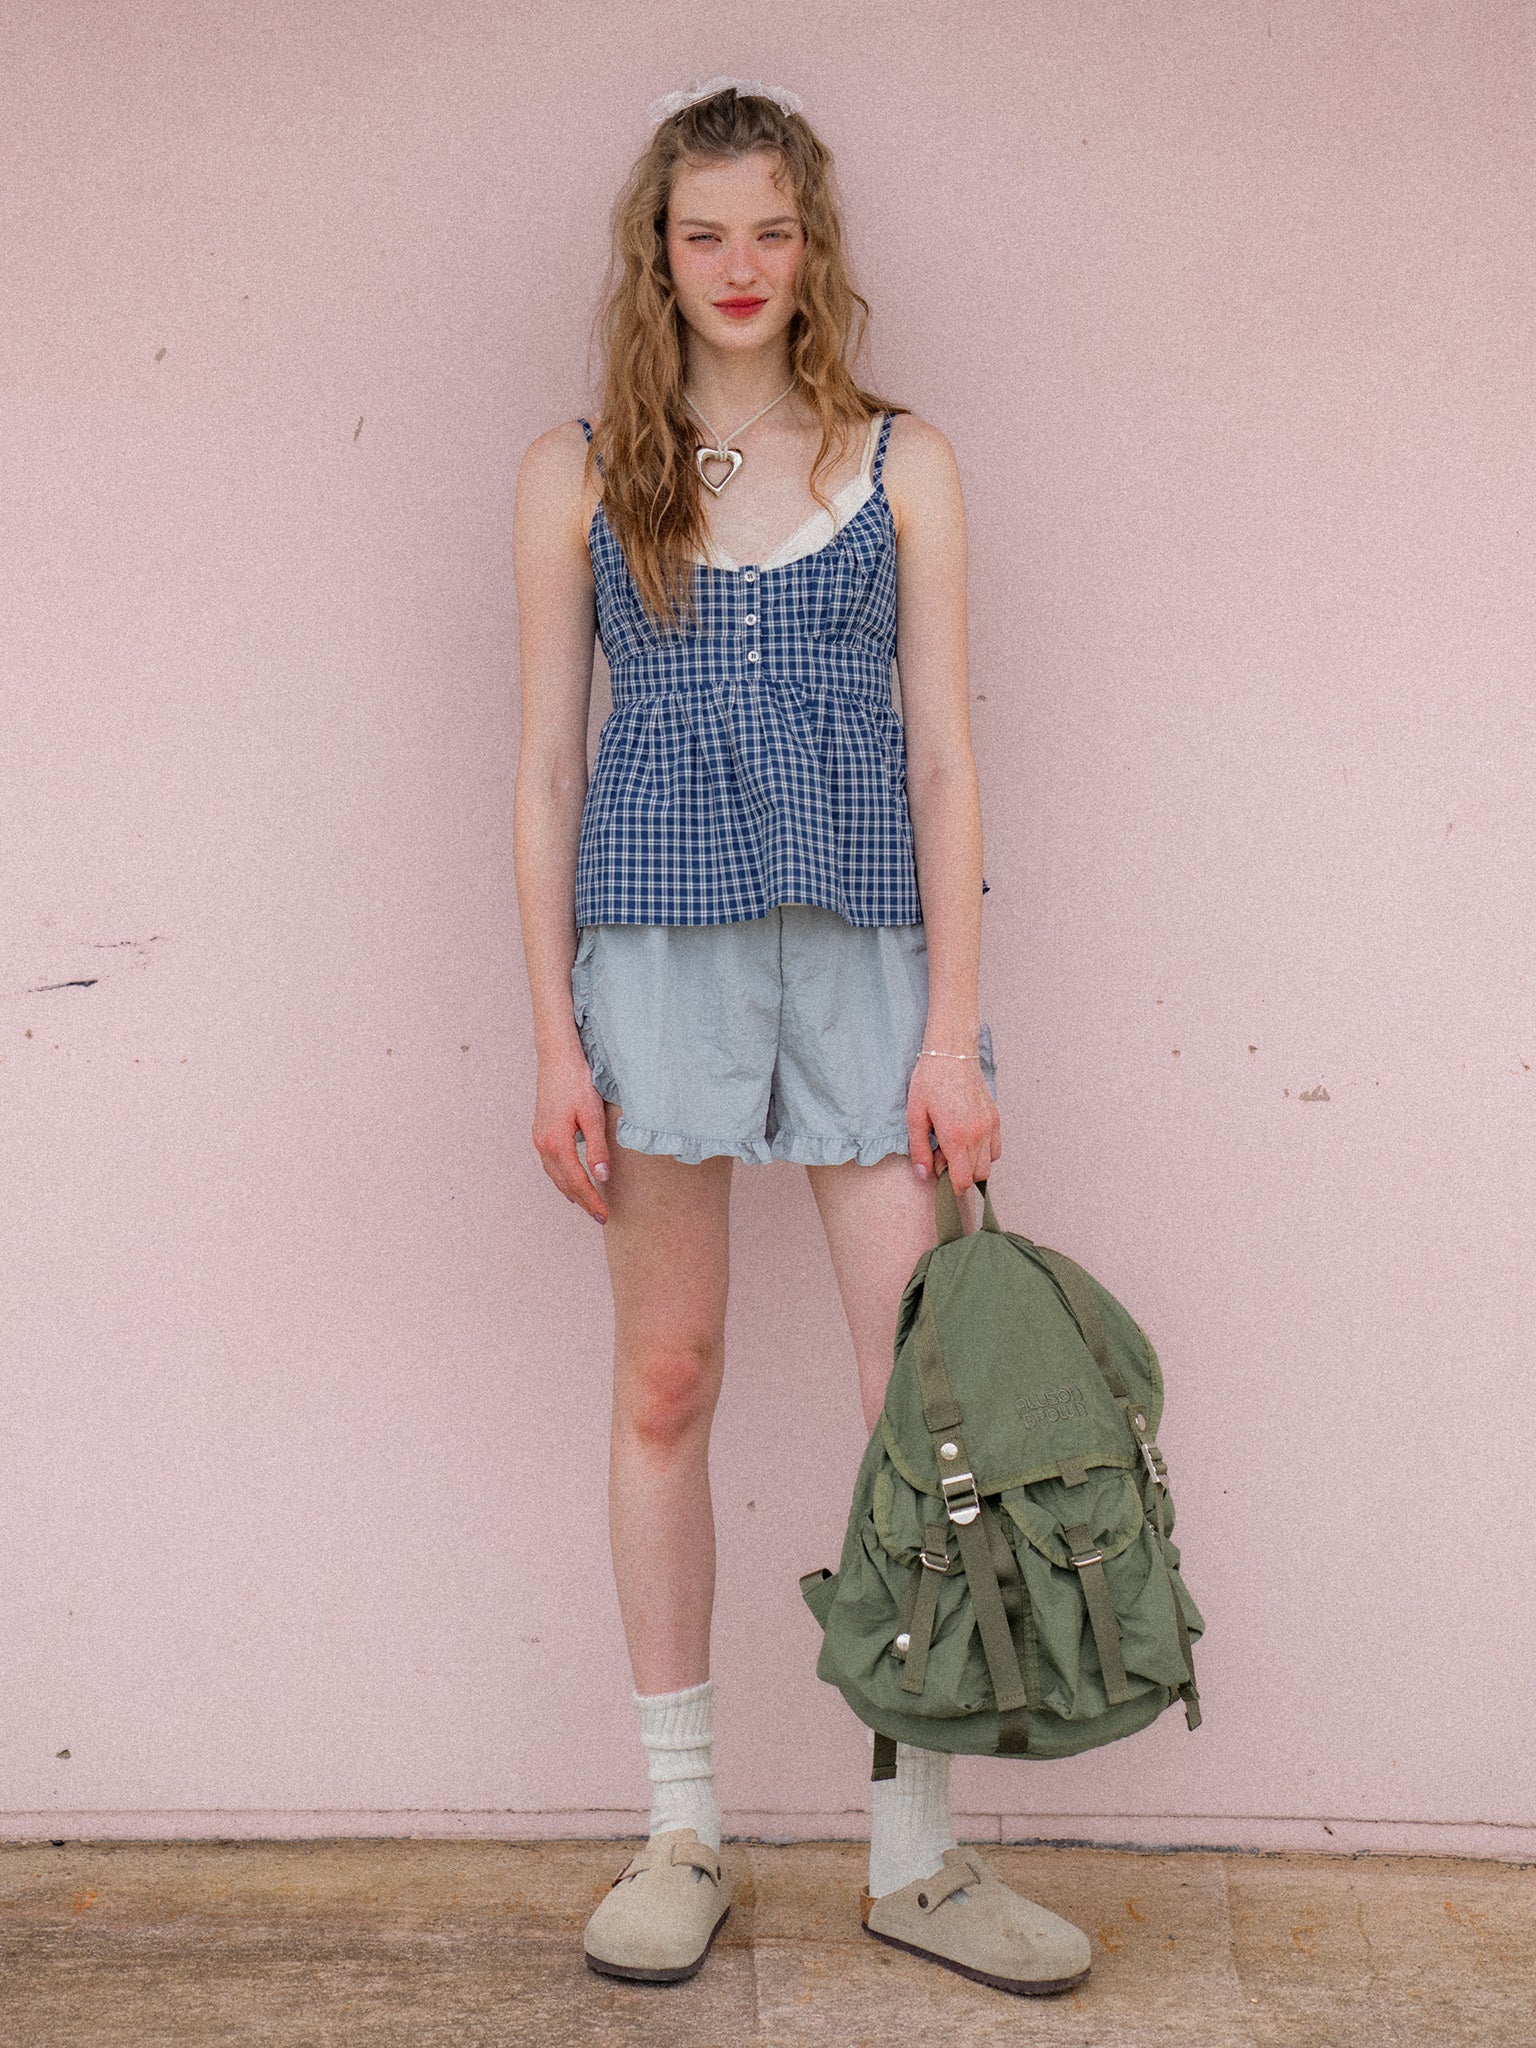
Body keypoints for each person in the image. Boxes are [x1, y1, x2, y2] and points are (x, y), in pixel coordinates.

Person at [512, 77, 1091, 1998]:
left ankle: (915, 1854)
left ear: (809, 243)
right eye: (705, 233)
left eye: (770, 230)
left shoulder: (904, 461)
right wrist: (552, 1038)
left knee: (919, 1411)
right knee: (665, 1380)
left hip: (865, 967)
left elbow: (946, 759)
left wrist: (955, 1034)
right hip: (655, 959)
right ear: (658, 253)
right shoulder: (582, 470)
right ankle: (681, 1827)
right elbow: (546, 771)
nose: (740, 265)